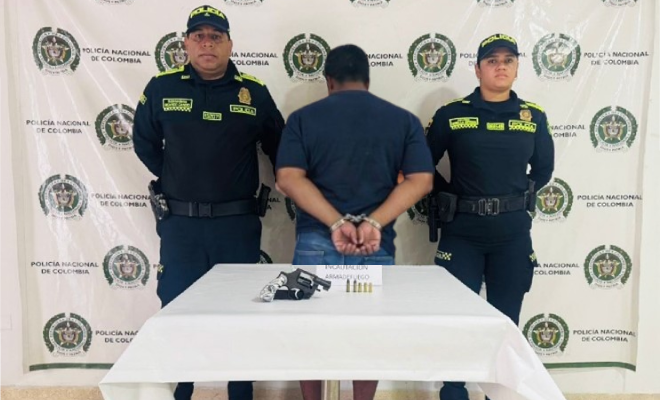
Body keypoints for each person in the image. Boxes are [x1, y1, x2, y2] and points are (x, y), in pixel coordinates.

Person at [132, 5, 284, 400]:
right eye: (198, 36)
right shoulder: (162, 88)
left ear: (230, 44)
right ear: (185, 43)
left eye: (215, 36)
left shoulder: (253, 92)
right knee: (177, 313)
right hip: (181, 226)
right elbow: (143, 142)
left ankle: (240, 394)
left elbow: (280, 148)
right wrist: (174, 174)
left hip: (236, 226)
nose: (206, 43)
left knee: (239, 316)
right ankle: (180, 393)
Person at [276, 44, 434, 400]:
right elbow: (421, 180)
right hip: (374, 245)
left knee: (311, 336)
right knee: (369, 336)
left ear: (329, 81)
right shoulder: (402, 120)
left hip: (317, 243)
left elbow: (288, 178)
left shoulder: (302, 119)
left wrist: (336, 224)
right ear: (367, 79)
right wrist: (373, 223)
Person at [425, 33, 555, 400]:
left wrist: (512, 198)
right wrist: (448, 195)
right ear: (478, 68)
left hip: (512, 235)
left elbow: (543, 170)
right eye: (492, 60)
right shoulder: (452, 115)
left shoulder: (533, 117)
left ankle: (497, 394)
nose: (501, 66)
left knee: (505, 322)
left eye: (508, 60)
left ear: (517, 68)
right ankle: (454, 392)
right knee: (457, 319)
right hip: (462, 232)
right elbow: (422, 164)